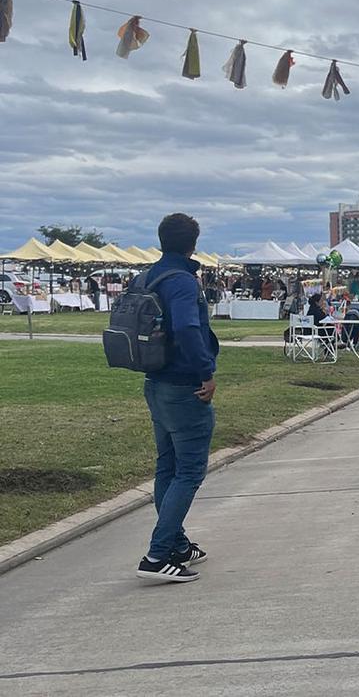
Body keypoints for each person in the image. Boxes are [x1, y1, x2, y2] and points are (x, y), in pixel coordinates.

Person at [135, 213, 220, 583]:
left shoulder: (148, 276)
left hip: (156, 380)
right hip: (185, 384)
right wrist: (205, 372)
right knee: (188, 471)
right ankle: (157, 554)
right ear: (193, 243)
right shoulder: (182, 281)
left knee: (166, 466)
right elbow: (187, 326)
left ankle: (177, 543)